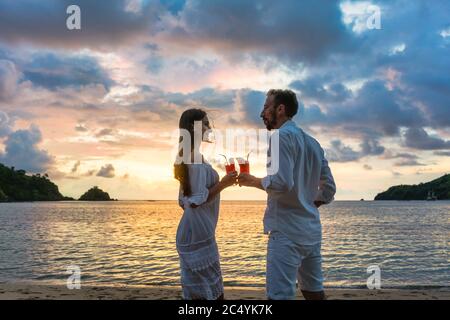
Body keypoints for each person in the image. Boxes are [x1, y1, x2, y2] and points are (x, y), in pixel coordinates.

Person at [237, 89, 336, 300]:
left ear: (280, 109)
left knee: (279, 295)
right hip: (310, 230)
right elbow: (329, 190)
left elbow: (281, 183)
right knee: (313, 291)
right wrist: (307, 203)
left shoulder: (280, 137)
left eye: (265, 107)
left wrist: (252, 181)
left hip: (286, 232)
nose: (262, 113)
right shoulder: (313, 144)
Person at [174, 108, 237, 300]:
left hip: (196, 230)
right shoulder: (193, 156)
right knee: (214, 294)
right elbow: (195, 202)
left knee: (199, 293)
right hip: (197, 233)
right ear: (195, 127)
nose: (210, 127)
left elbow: (184, 202)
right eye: (206, 123)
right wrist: (223, 183)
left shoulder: (189, 155)